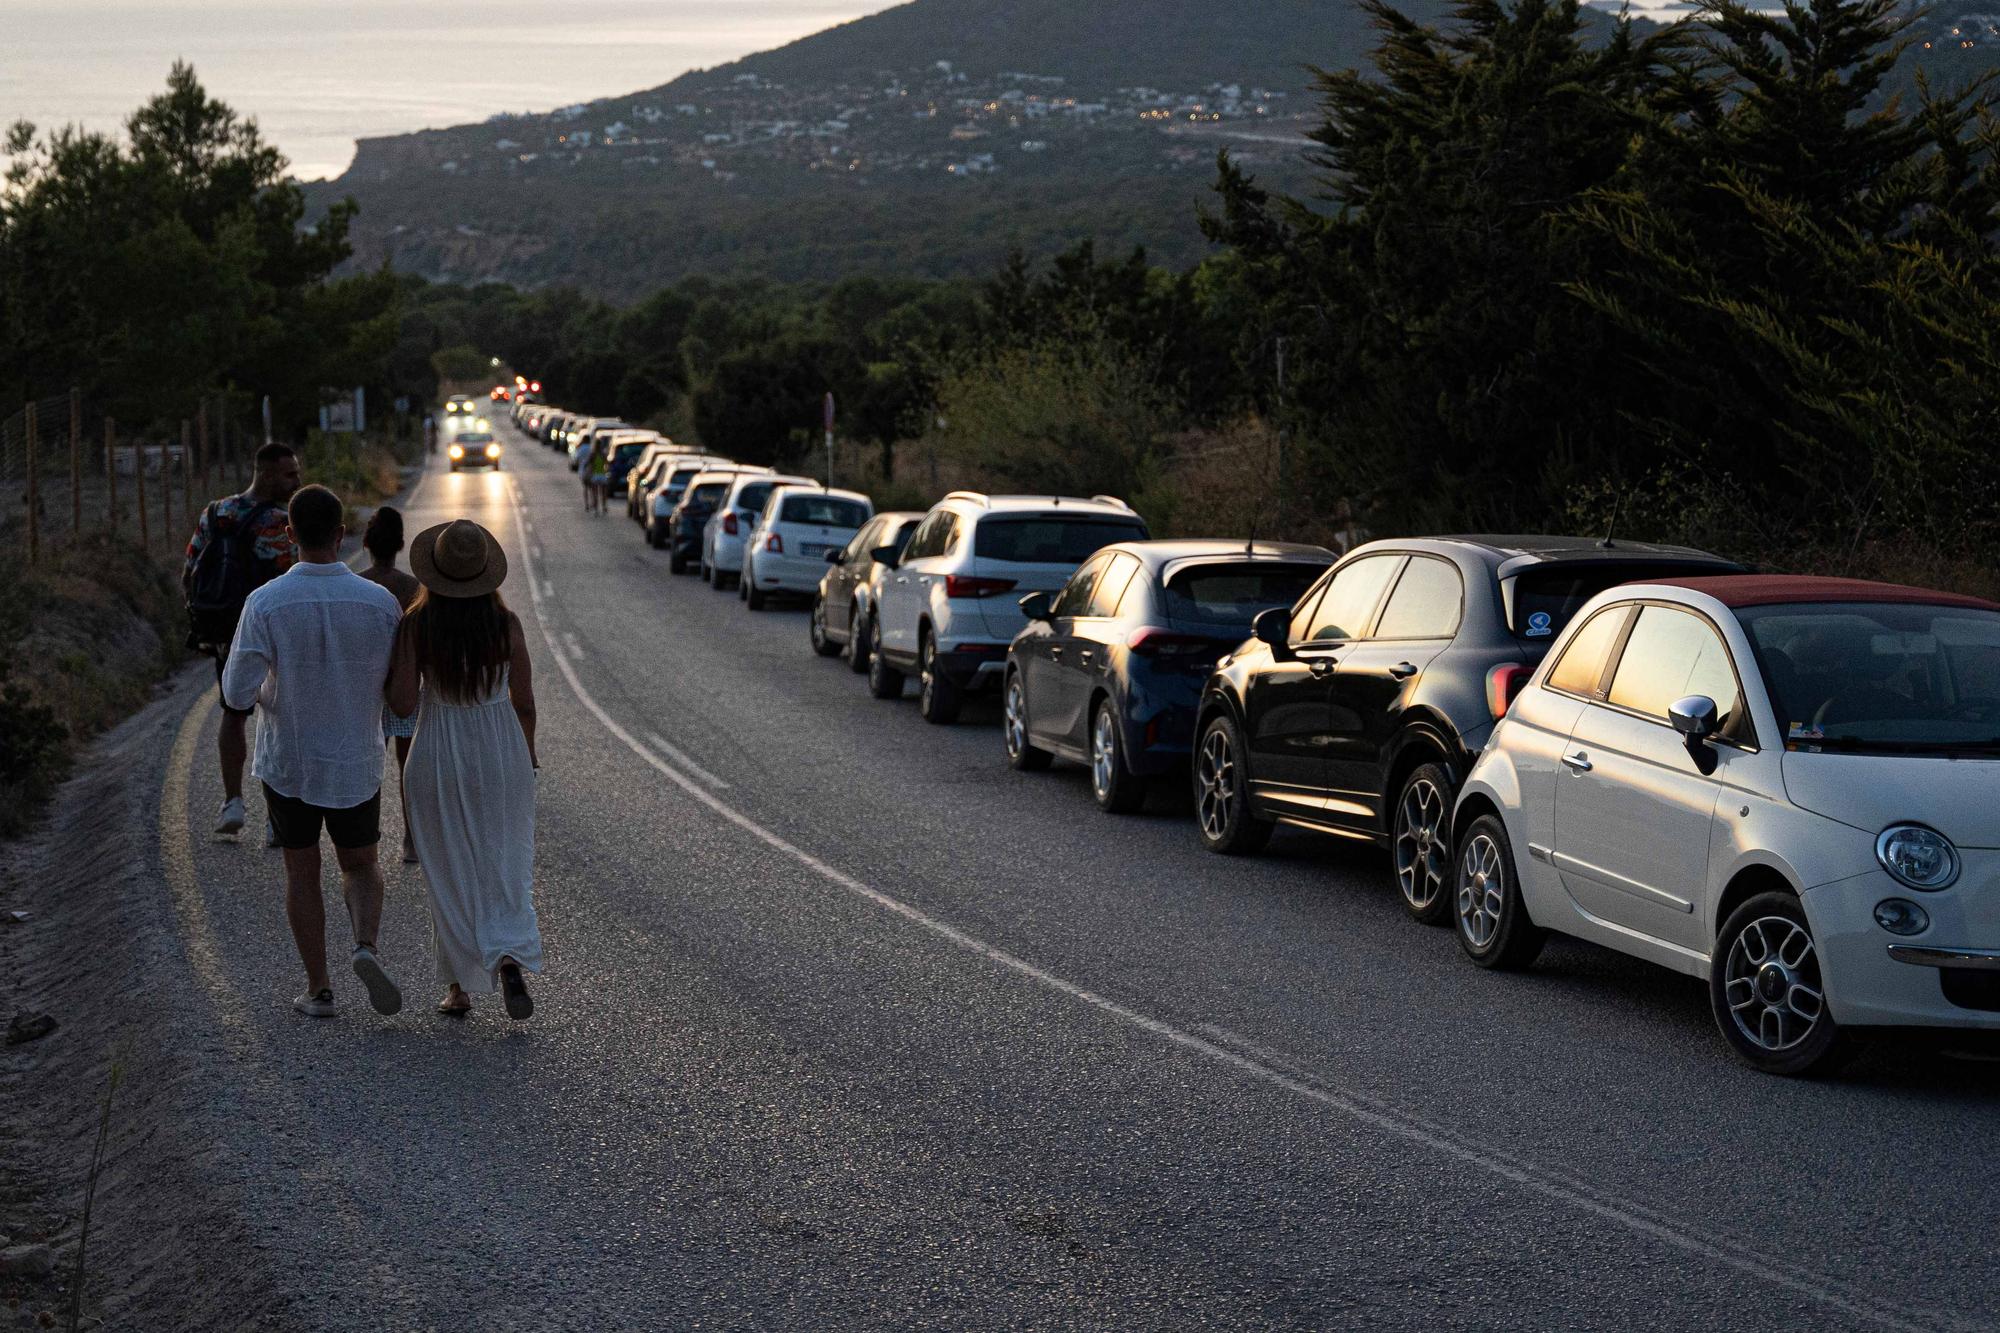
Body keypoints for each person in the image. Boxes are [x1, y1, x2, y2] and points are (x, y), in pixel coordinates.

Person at [222, 485, 406, 1020]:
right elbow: (396, 685)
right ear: (341, 534)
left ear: (289, 534)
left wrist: (269, 691)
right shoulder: (380, 603)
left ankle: (319, 989)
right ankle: (365, 944)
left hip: (290, 764)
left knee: (301, 871)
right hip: (356, 760)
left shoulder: (265, 602)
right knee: (362, 862)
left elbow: (236, 694)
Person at [389, 519, 543, 1021]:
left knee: (448, 868)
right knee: (503, 863)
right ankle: (509, 956)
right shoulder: (508, 626)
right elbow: (525, 705)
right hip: (501, 751)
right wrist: (528, 755)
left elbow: (402, 703)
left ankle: (459, 988)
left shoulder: (417, 626)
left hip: (437, 752)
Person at [184, 442, 301, 841]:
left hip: (224, 629)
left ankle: (232, 802)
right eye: (290, 474)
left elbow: (191, 568)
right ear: (266, 473)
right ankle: (275, 817)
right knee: (278, 719)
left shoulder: (216, 512)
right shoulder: (280, 521)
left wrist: (202, 623)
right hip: (270, 630)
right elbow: (293, 581)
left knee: (233, 711)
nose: (297, 481)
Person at [357, 507, 423, 866]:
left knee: (370, 764)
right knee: (408, 766)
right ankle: (411, 840)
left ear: (364, 542)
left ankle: (367, 834)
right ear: (401, 543)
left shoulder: (357, 583)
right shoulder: (412, 586)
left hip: (368, 688)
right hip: (407, 685)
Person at [584, 436, 611, 515]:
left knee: (595, 493)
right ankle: (604, 507)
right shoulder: (603, 454)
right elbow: (607, 464)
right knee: (603, 492)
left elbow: (587, 464)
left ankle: (596, 509)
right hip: (602, 475)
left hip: (595, 475)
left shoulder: (592, 454)